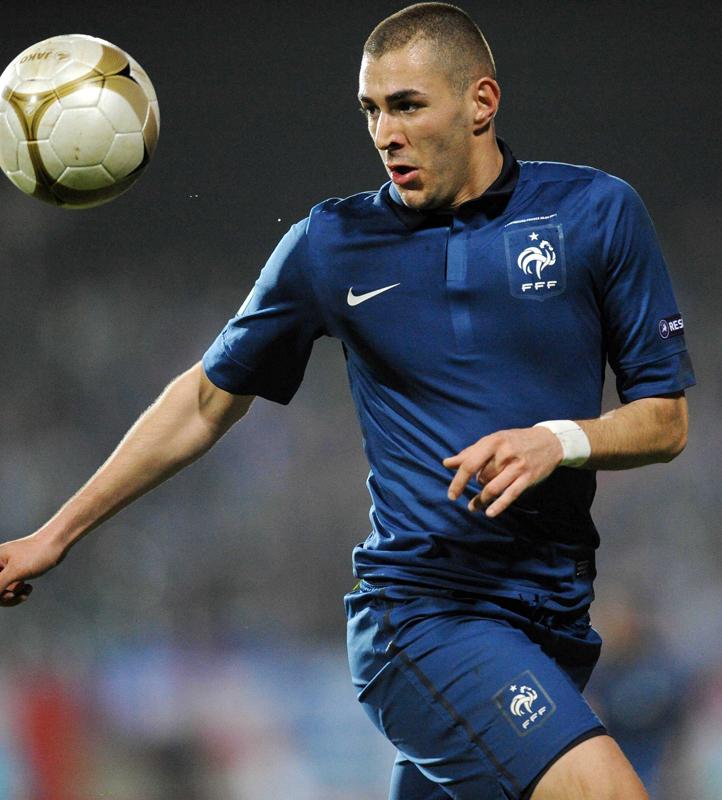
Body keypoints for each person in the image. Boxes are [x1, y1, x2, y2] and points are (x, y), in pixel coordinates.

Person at [0, 3, 694, 799]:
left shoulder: (595, 213)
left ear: (481, 102)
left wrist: (556, 440)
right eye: (371, 110)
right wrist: (55, 534)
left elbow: (665, 422)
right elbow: (203, 401)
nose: (385, 133)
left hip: (553, 622)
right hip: (425, 617)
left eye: (407, 105)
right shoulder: (332, 245)